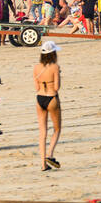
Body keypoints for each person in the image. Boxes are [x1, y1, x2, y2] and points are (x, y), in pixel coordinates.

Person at [33, 41, 62, 171]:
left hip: (40, 98)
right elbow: (57, 87)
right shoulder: (55, 67)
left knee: (42, 132)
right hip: (51, 97)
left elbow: (36, 87)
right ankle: (50, 154)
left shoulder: (36, 67)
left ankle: (43, 164)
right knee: (56, 129)